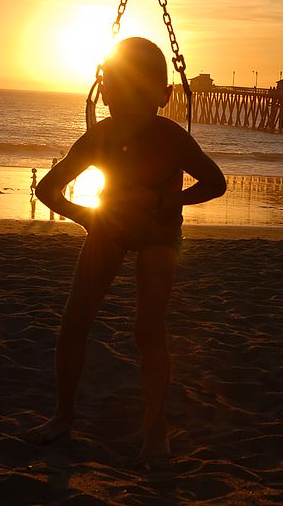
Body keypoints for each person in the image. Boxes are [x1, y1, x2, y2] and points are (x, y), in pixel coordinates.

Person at [27, 37, 226, 458]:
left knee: (147, 329)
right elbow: (48, 188)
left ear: (164, 95)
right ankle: (64, 415)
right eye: (119, 88)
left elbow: (216, 183)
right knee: (75, 321)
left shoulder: (172, 137)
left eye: (139, 90)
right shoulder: (102, 135)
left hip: (160, 232)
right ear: (105, 92)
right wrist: (88, 217)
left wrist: (166, 201)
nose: (129, 100)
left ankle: (155, 431)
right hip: (111, 228)